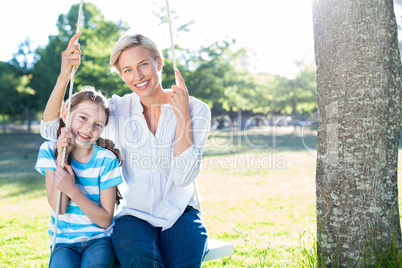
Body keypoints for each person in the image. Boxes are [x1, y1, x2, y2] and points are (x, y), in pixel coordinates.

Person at [40, 33, 211, 267]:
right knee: (141, 263)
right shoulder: (119, 109)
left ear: (158, 63)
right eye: (127, 70)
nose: (138, 76)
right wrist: (63, 78)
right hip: (134, 216)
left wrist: (182, 115)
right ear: (121, 75)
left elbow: (183, 178)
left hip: (182, 212)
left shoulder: (197, 110)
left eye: (143, 65)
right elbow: (50, 130)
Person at [35, 87, 123, 267]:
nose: (88, 128)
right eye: (83, 118)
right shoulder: (49, 150)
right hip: (63, 242)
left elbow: (105, 220)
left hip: (99, 240)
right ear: (67, 114)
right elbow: (59, 208)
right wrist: (61, 156)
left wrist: (73, 190)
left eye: (98, 124)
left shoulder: (106, 160)